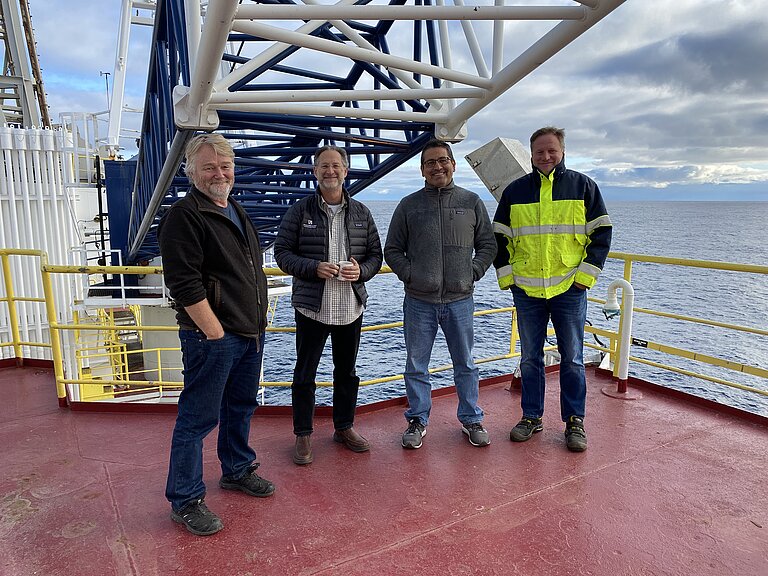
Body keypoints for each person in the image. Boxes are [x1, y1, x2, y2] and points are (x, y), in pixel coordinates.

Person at [158, 133, 275, 536]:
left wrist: (254, 324)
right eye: (209, 167)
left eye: (225, 166)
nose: (219, 173)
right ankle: (185, 498)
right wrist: (214, 332)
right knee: (197, 418)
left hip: (248, 332)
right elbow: (183, 282)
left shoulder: (236, 210)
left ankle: (237, 469)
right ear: (191, 172)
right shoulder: (185, 216)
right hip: (214, 337)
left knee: (240, 406)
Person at [492, 126, 612, 452]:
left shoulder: (583, 186)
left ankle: (575, 422)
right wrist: (509, 279)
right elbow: (499, 238)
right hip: (528, 291)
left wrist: (584, 278)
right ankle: (531, 416)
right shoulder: (515, 191)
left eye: (551, 151)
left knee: (572, 358)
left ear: (562, 151)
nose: (545, 157)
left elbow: (601, 235)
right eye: (539, 152)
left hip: (568, 289)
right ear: (531, 155)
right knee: (530, 358)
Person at [384, 139, 497, 449]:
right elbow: (392, 249)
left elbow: (488, 245)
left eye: (442, 160)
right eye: (430, 162)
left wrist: (471, 272)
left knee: (466, 363)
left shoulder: (471, 201)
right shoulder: (409, 205)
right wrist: (411, 275)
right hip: (420, 301)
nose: (437, 166)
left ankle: (472, 419)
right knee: (416, 365)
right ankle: (418, 420)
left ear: (453, 164)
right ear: (422, 170)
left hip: (460, 299)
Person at [274, 145, 383, 465]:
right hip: (312, 307)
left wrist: (360, 271)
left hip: (350, 306)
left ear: (346, 171)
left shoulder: (362, 212)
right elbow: (282, 254)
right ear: (315, 171)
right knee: (305, 372)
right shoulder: (300, 210)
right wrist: (313, 267)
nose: (330, 171)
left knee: (346, 372)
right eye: (324, 166)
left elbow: (375, 257)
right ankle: (303, 434)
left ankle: (344, 427)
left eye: (336, 166)